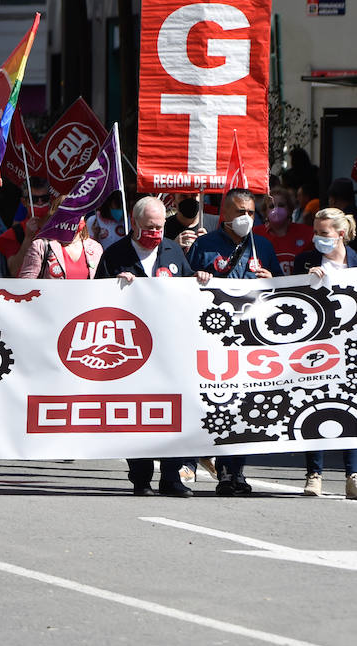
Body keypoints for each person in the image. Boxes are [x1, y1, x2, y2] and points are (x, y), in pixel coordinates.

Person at [96, 196, 210, 496]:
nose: (155, 233)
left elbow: (187, 289)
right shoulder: (115, 254)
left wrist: (198, 277)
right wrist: (114, 286)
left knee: (173, 410)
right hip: (131, 349)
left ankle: (171, 477)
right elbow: (95, 298)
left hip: (171, 346)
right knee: (137, 412)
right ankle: (141, 477)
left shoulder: (172, 250)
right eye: (149, 227)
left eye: (159, 227)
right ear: (134, 223)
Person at [187, 188, 280, 496]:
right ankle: (197, 458)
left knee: (244, 406)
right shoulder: (204, 246)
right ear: (224, 214)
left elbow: (282, 289)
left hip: (250, 340)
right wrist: (196, 279)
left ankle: (234, 471)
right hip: (212, 339)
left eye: (251, 212)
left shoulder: (262, 246)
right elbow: (183, 287)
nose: (246, 218)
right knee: (215, 404)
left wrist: (271, 280)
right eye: (240, 212)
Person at [295, 207, 357, 500]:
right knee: (315, 405)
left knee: (351, 408)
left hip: (351, 346)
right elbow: (287, 299)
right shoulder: (305, 261)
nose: (316, 238)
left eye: (323, 233)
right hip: (316, 347)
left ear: (340, 234)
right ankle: (314, 474)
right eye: (315, 232)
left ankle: (353, 475)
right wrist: (303, 281)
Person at [17, 198, 103, 280]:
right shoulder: (41, 246)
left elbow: (103, 282)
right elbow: (26, 283)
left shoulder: (95, 248)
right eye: (67, 214)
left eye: (78, 213)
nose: (74, 219)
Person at [0, 177, 56, 275]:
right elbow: (14, 270)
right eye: (34, 199)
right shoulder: (14, 233)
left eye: (44, 198)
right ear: (24, 202)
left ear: (50, 200)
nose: (40, 203)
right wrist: (28, 238)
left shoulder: (60, 228)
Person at [257, 187, 311, 275]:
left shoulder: (307, 233)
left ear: (290, 209)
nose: (276, 210)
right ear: (265, 211)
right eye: (271, 206)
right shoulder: (256, 234)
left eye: (281, 205)